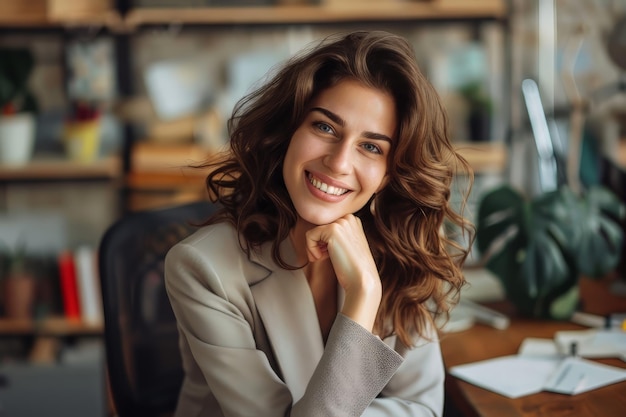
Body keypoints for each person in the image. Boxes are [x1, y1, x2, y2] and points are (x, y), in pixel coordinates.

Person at [164, 30, 473, 417]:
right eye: (325, 127)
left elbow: (422, 407)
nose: (340, 163)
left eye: (371, 147)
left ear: (389, 175)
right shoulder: (202, 268)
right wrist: (363, 296)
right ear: (287, 132)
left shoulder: (399, 245)